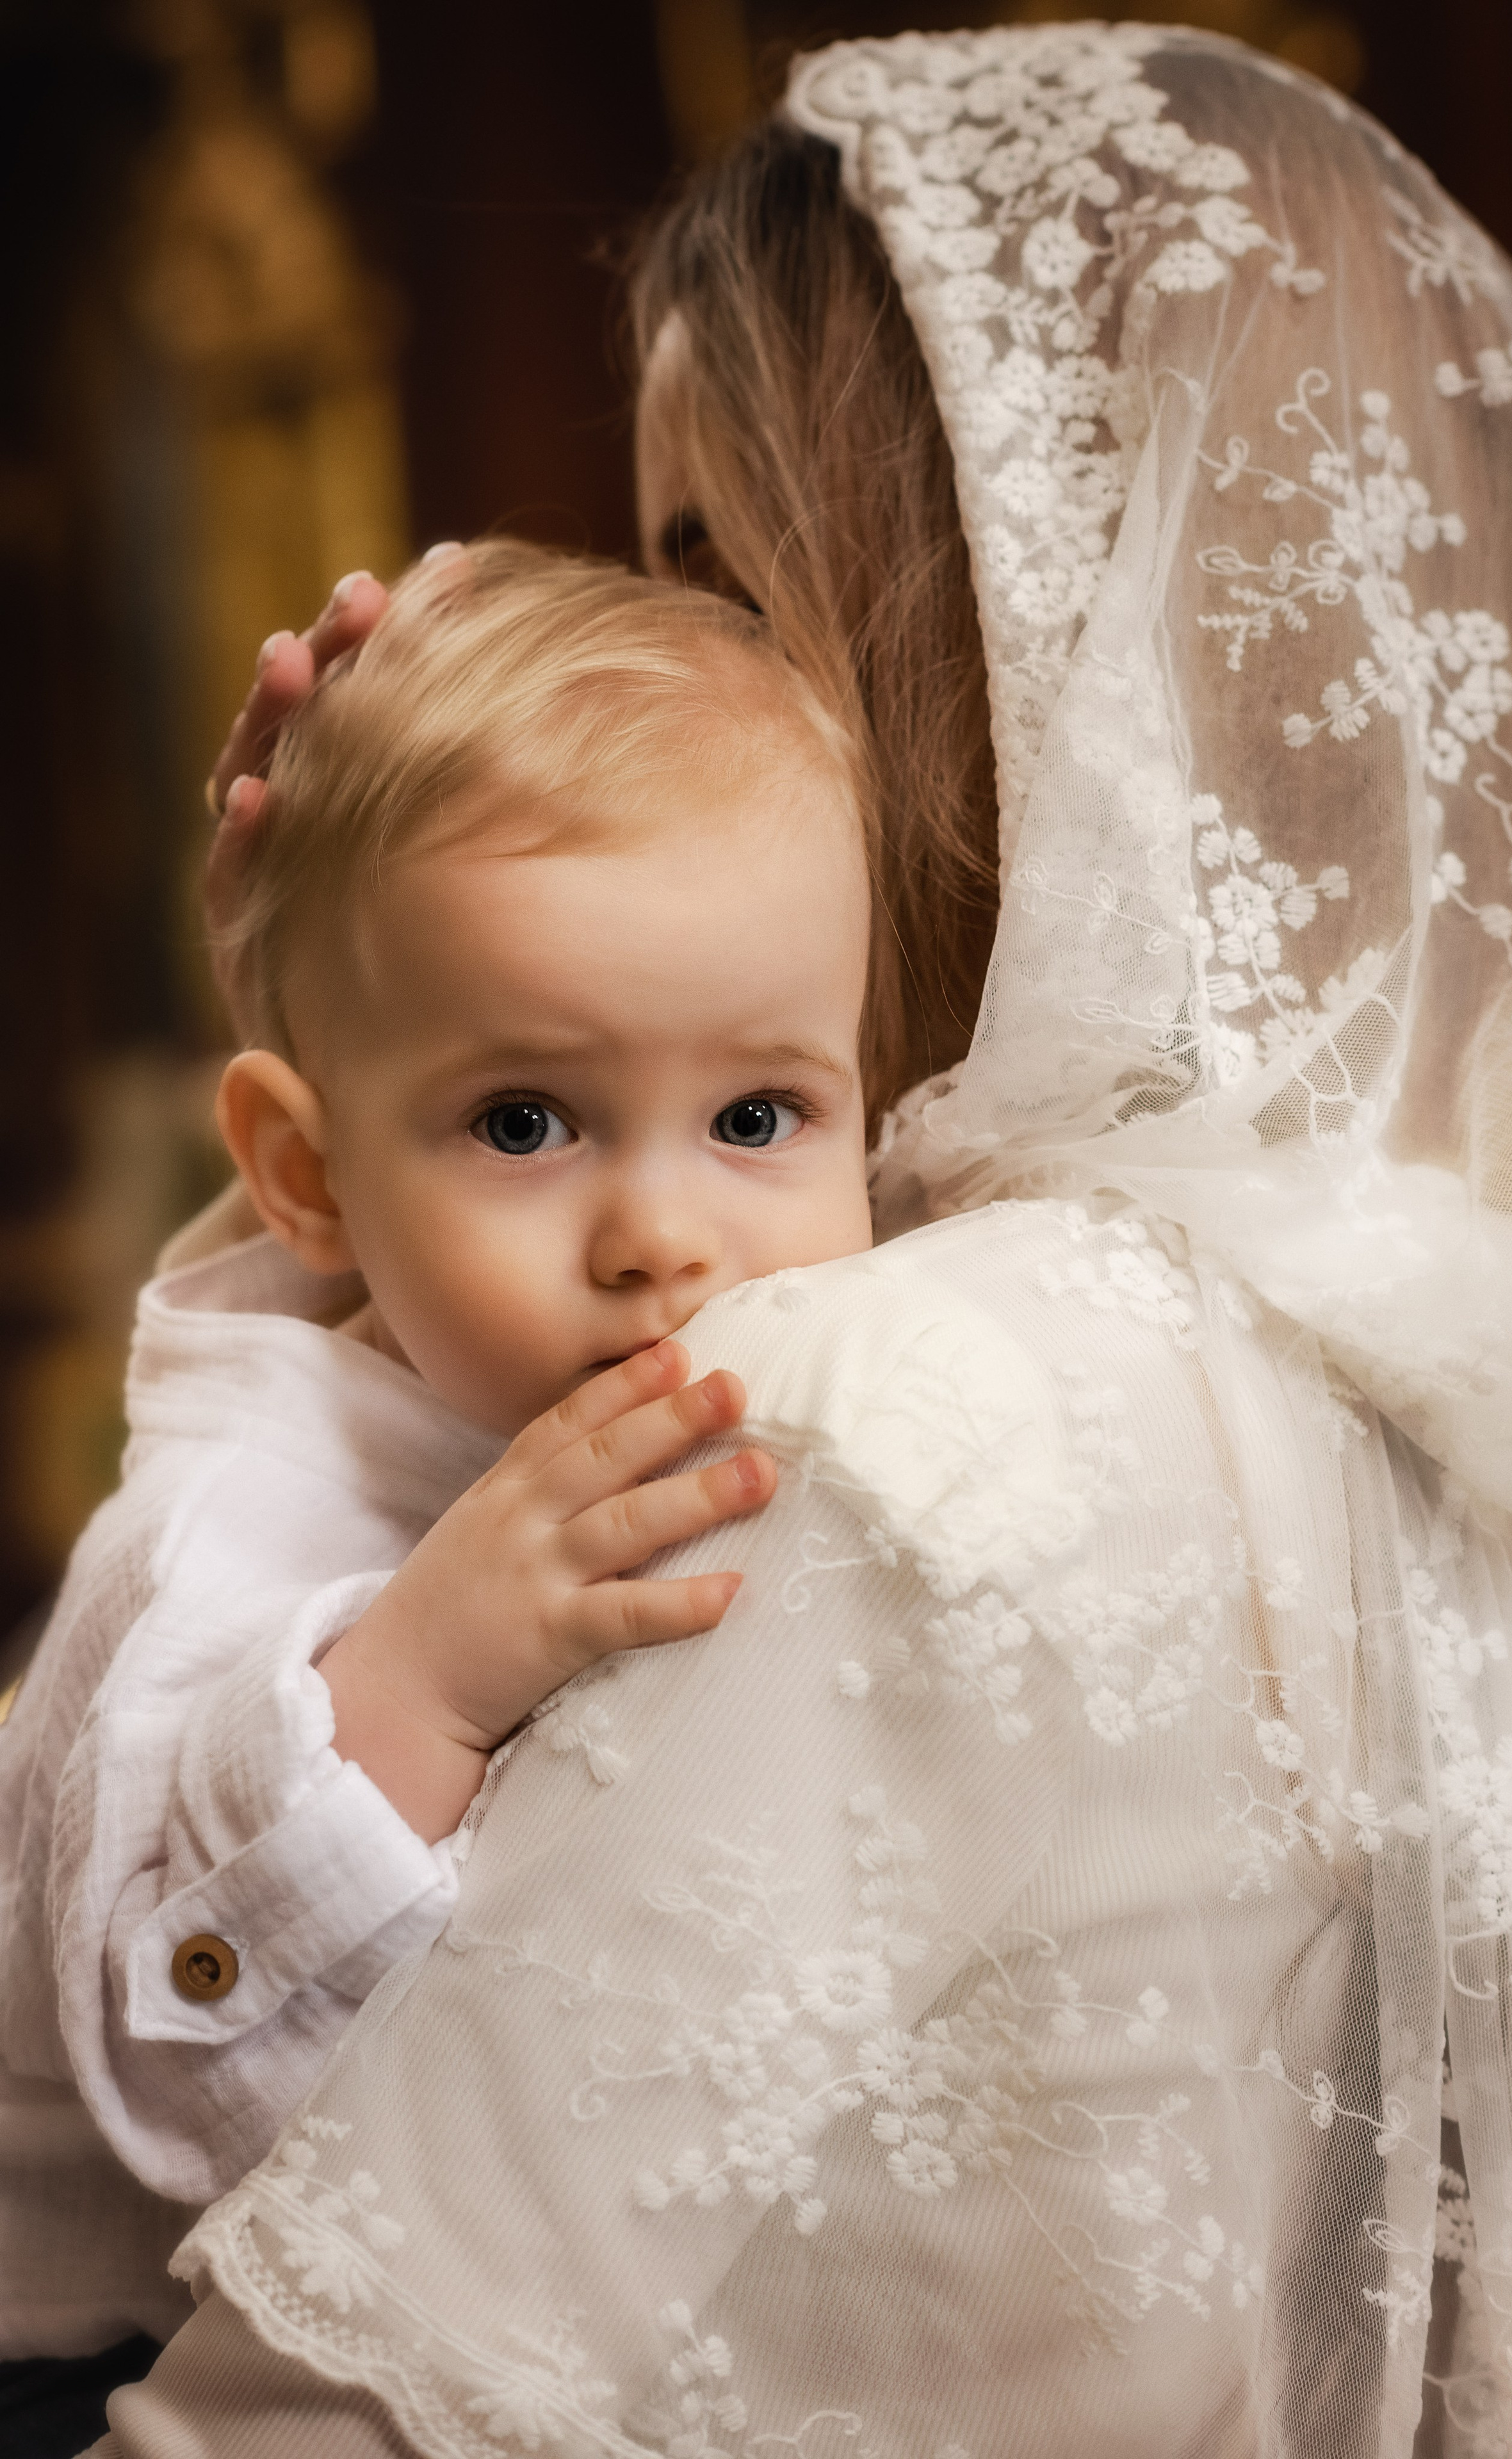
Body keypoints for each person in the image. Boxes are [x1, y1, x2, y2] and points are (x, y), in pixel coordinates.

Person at [92, 20, 1512, 2458]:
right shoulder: (1489, 1310)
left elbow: (270, 2410)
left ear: (1012, 605)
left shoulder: (881, 1394)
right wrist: (365, 997)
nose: (685, 690)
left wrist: (407, 1081)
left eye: (718, 570)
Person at [0, 540, 883, 2438]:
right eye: (523, 1122)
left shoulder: (671, 1376)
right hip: (81, 2358)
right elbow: (189, 2077)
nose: (662, 1237)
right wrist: (413, 1681)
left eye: (758, 1117)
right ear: (306, 1178)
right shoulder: (217, 1538)